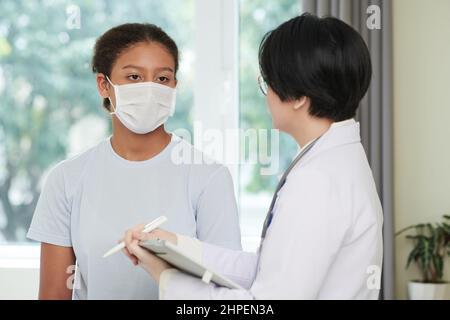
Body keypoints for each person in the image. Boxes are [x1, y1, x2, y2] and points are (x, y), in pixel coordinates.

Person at [122, 13, 384, 300]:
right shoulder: (337, 161)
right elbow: (267, 269)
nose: (267, 95)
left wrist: (166, 277)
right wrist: (176, 245)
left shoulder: (318, 180)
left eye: (268, 83)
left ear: (298, 97)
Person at [27, 23, 241, 299]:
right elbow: (54, 294)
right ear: (104, 85)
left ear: (175, 85)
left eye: (162, 79)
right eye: (134, 77)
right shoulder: (67, 179)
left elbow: (225, 289)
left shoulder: (209, 177)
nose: (150, 89)